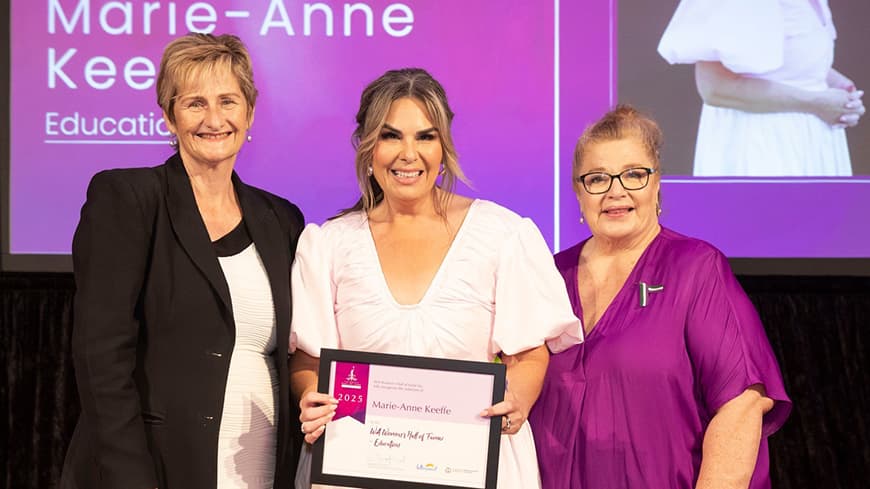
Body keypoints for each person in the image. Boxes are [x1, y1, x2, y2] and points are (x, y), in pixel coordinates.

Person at [287, 68, 581, 489]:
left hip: (476, 466)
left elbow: (528, 353)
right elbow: (310, 361)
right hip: (356, 470)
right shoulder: (329, 245)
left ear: (443, 146)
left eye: (425, 137)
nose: (409, 154)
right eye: (391, 136)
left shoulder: (502, 234)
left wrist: (518, 398)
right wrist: (309, 397)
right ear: (368, 148)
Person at [60, 33, 304, 489]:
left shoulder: (281, 219)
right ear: (169, 118)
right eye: (195, 103)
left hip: (261, 466)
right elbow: (101, 357)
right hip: (154, 468)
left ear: (249, 113)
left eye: (228, 101)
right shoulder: (128, 198)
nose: (214, 119)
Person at [528, 105, 792, 489]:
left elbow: (743, 403)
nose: (616, 191)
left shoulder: (695, 268)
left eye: (634, 175)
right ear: (578, 192)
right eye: (598, 178)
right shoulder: (546, 276)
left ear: (657, 184)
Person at [657, 0, 865, 176]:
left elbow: (788, 58)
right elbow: (715, 88)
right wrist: (817, 102)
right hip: (763, 146)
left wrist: (839, 90)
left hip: (813, 143)